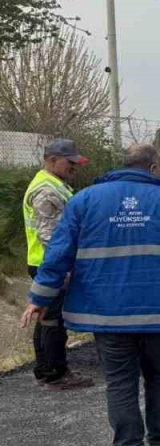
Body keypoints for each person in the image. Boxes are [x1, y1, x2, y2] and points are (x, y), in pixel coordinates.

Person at [21, 144, 160, 446]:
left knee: (120, 383)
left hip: (106, 313)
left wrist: (39, 297)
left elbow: (58, 254)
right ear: (152, 168)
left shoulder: (84, 200)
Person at [22, 139, 94, 390]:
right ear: (52, 160)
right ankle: (55, 373)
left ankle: (46, 369)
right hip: (50, 264)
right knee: (53, 320)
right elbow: (50, 236)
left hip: (46, 263)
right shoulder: (47, 191)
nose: (75, 167)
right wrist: (67, 265)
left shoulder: (56, 184)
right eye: (70, 162)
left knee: (47, 317)